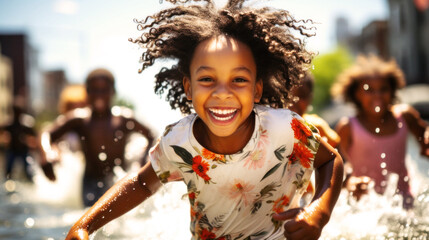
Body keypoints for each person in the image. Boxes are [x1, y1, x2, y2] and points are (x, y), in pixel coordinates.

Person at [65, 1, 344, 239]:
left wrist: (318, 212)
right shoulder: (179, 142)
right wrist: (85, 225)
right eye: (208, 79)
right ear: (188, 87)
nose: (223, 93)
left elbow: (330, 160)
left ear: (257, 89)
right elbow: (140, 184)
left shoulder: (284, 128)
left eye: (238, 80)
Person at [39, 68, 155, 207]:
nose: (99, 94)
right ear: (87, 92)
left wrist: (145, 158)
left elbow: (152, 134)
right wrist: (46, 153)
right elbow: (46, 133)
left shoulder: (123, 118)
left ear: (113, 91)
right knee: (88, 220)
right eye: (94, 90)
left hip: (118, 180)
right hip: (90, 184)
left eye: (104, 89)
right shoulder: (80, 119)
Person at [332, 54, 429, 208]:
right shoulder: (348, 127)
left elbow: (424, 132)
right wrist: (349, 181)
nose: (377, 95)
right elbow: (335, 167)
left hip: (403, 201)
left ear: (392, 91)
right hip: (365, 205)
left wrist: (426, 140)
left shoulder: (405, 116)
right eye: (368, 90)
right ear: (356, 94)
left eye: (383, 89)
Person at [0, 97, 38, 181]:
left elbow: (34, 134)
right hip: (12, 150)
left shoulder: (25, 125)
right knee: (8, 172)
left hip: (23, 150)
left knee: (28, 171)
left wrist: (32, 143)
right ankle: (8, 183)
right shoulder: (10, 124)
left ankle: (30, 181)